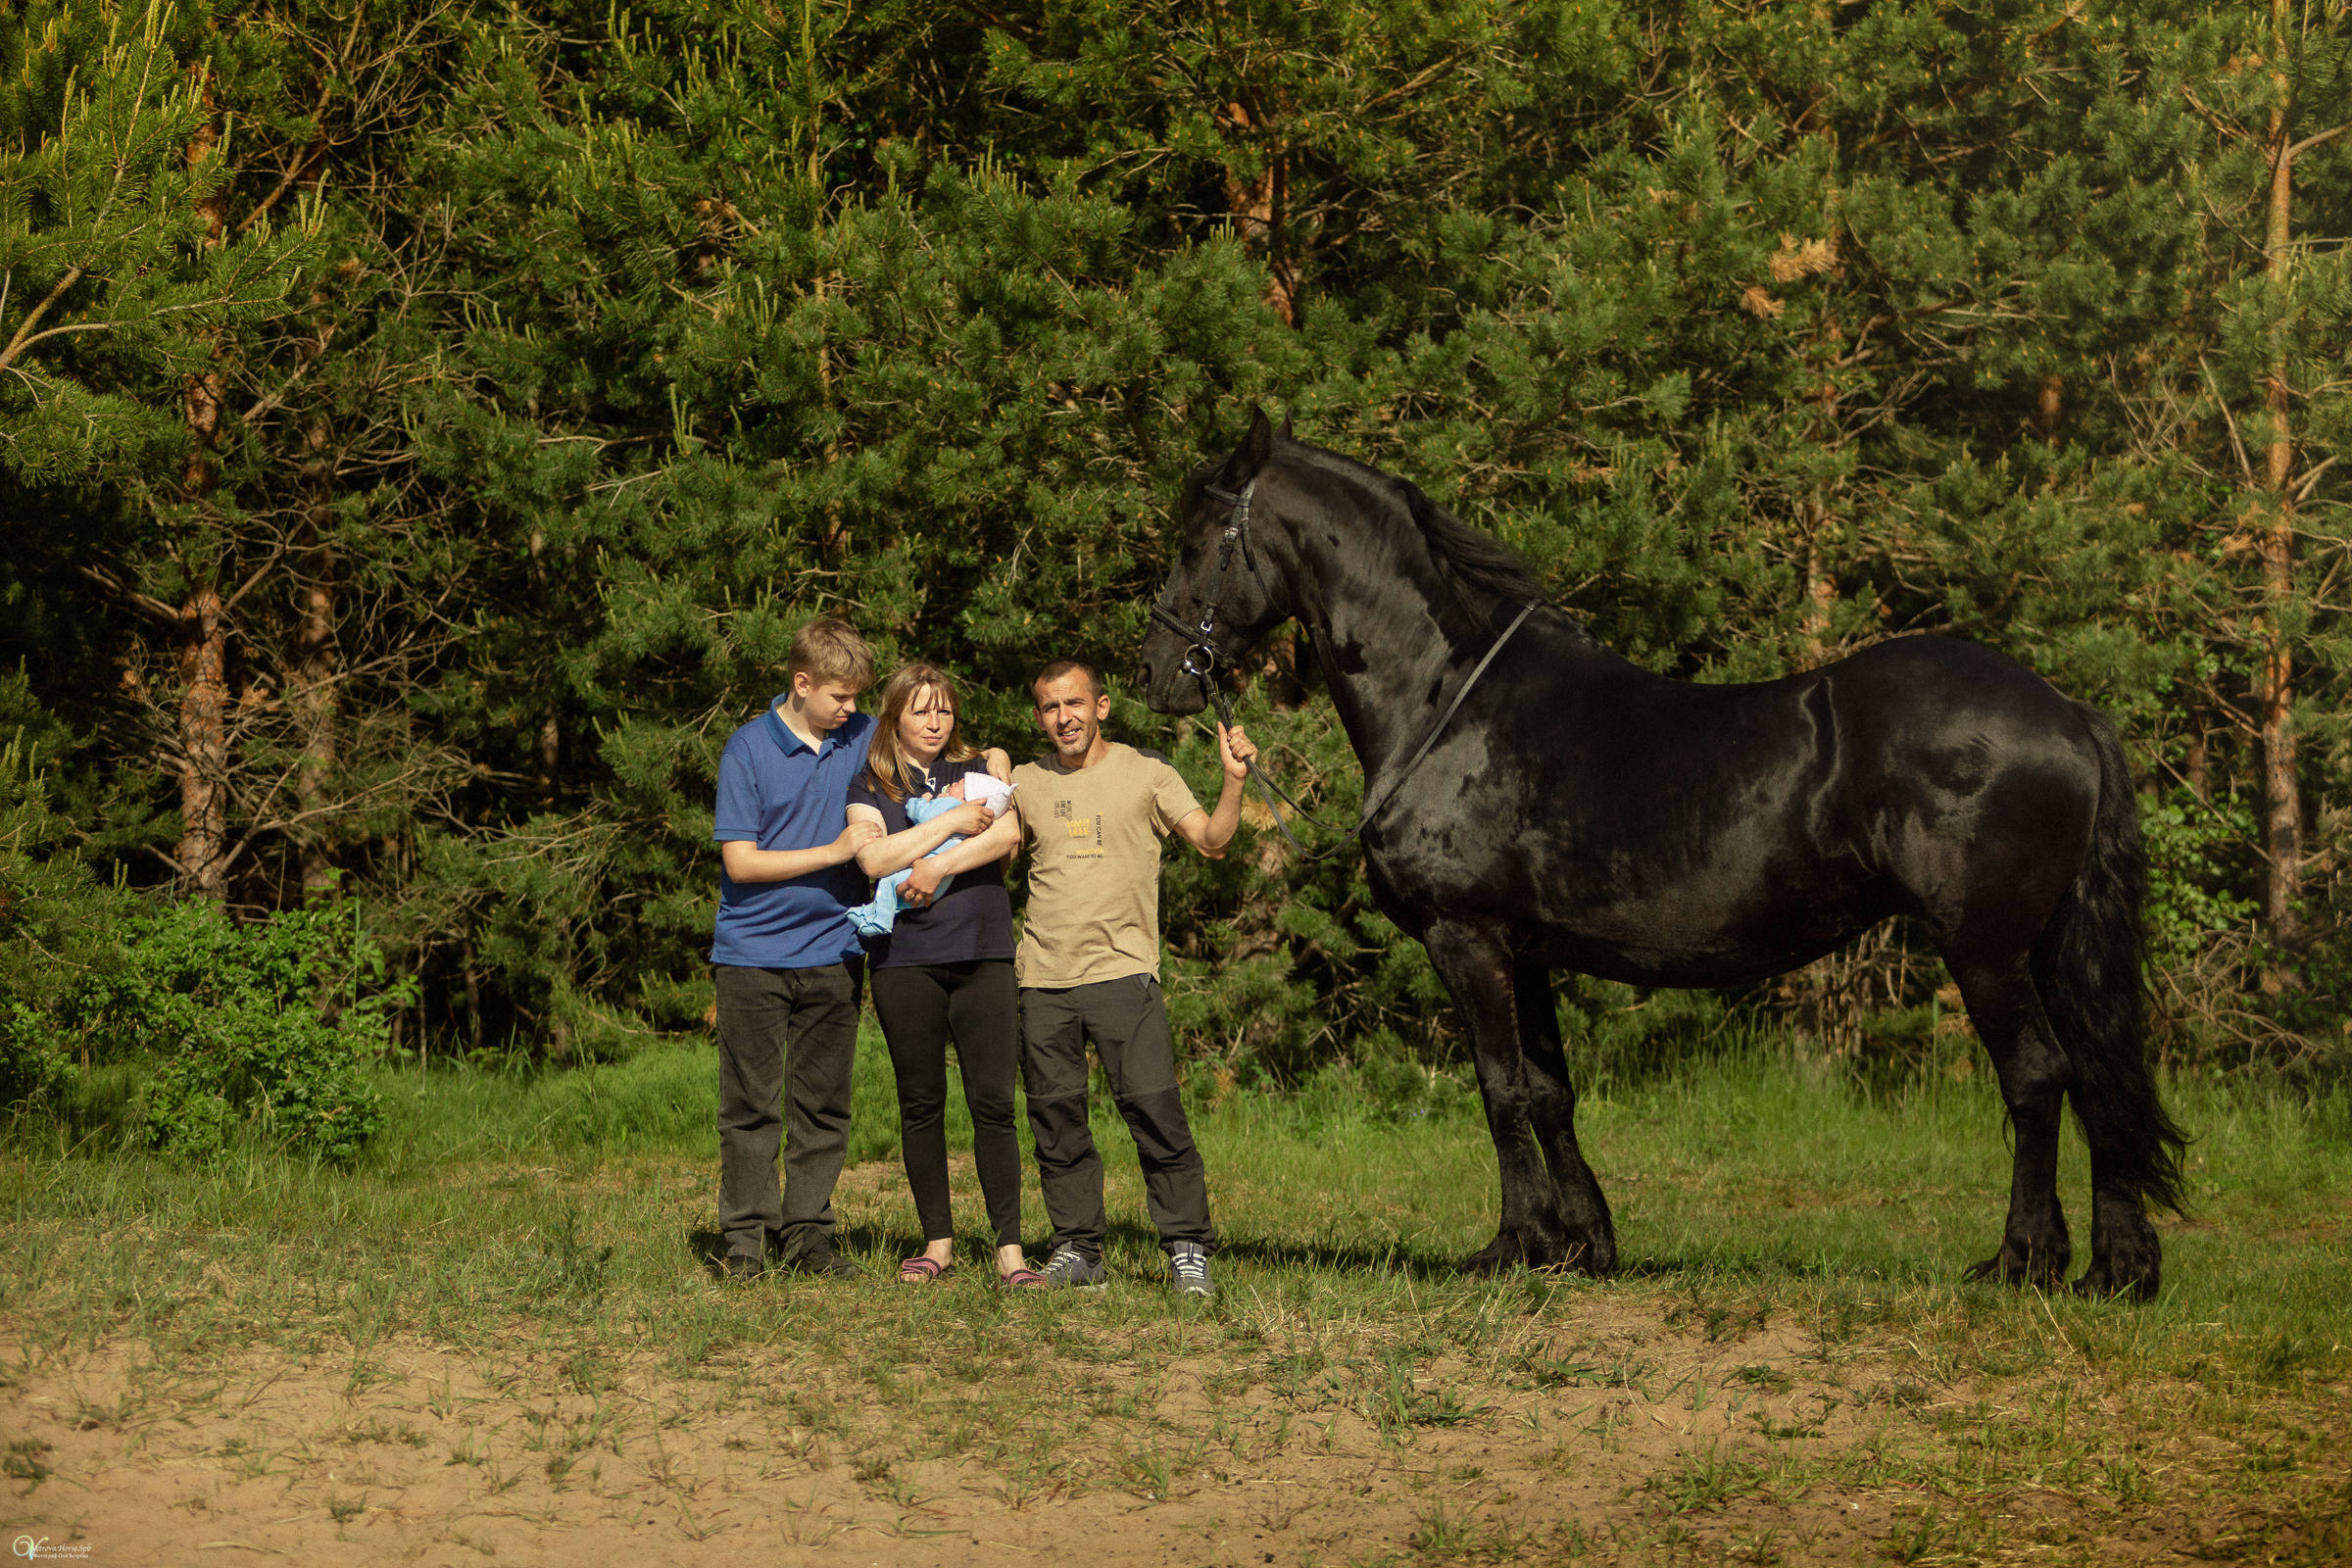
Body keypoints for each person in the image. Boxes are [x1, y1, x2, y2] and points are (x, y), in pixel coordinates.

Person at [914, 657, 1256, 1296]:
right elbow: (951, 804)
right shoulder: (1023, 781)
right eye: (1049, 707)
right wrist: (990, 758)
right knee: (1056, 1120)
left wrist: (1234, 782)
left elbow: (1212, 841)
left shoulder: (1148, 773)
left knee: (1155, 1114)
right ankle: (1078, 1247)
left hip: (1124, 975)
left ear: (1101, 706)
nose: (1062, 717)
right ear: (1039, 717)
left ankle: (1186, 1248)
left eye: (1074, 703)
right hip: (1043, 979)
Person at [844, 664, 1038, 1287]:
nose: (934, 722)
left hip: (983, 953)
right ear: (895, 715)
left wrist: (933, 864)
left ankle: (1011, 1252)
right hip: (905, 961)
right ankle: (938, 1243)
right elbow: (873, 857)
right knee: (921, 1104)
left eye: (944, 711)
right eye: (921, 710)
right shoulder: (869, 783)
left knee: (994, 1105)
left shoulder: (977, 769)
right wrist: (951, 823)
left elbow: (1007, 834)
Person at [710, 616, 882, 1281]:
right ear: (801, 682)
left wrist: (997, 766)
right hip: (751, 955)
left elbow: (939, 748)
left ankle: (809, 1235)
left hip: (835, 950)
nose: (852, 709)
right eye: (839, 696)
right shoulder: (747, 750)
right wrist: (835, 853)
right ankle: (746, 1241)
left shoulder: (862, 736)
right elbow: (741, 862)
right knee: (751, 1105)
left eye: (858, 697)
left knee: (823, 1104)